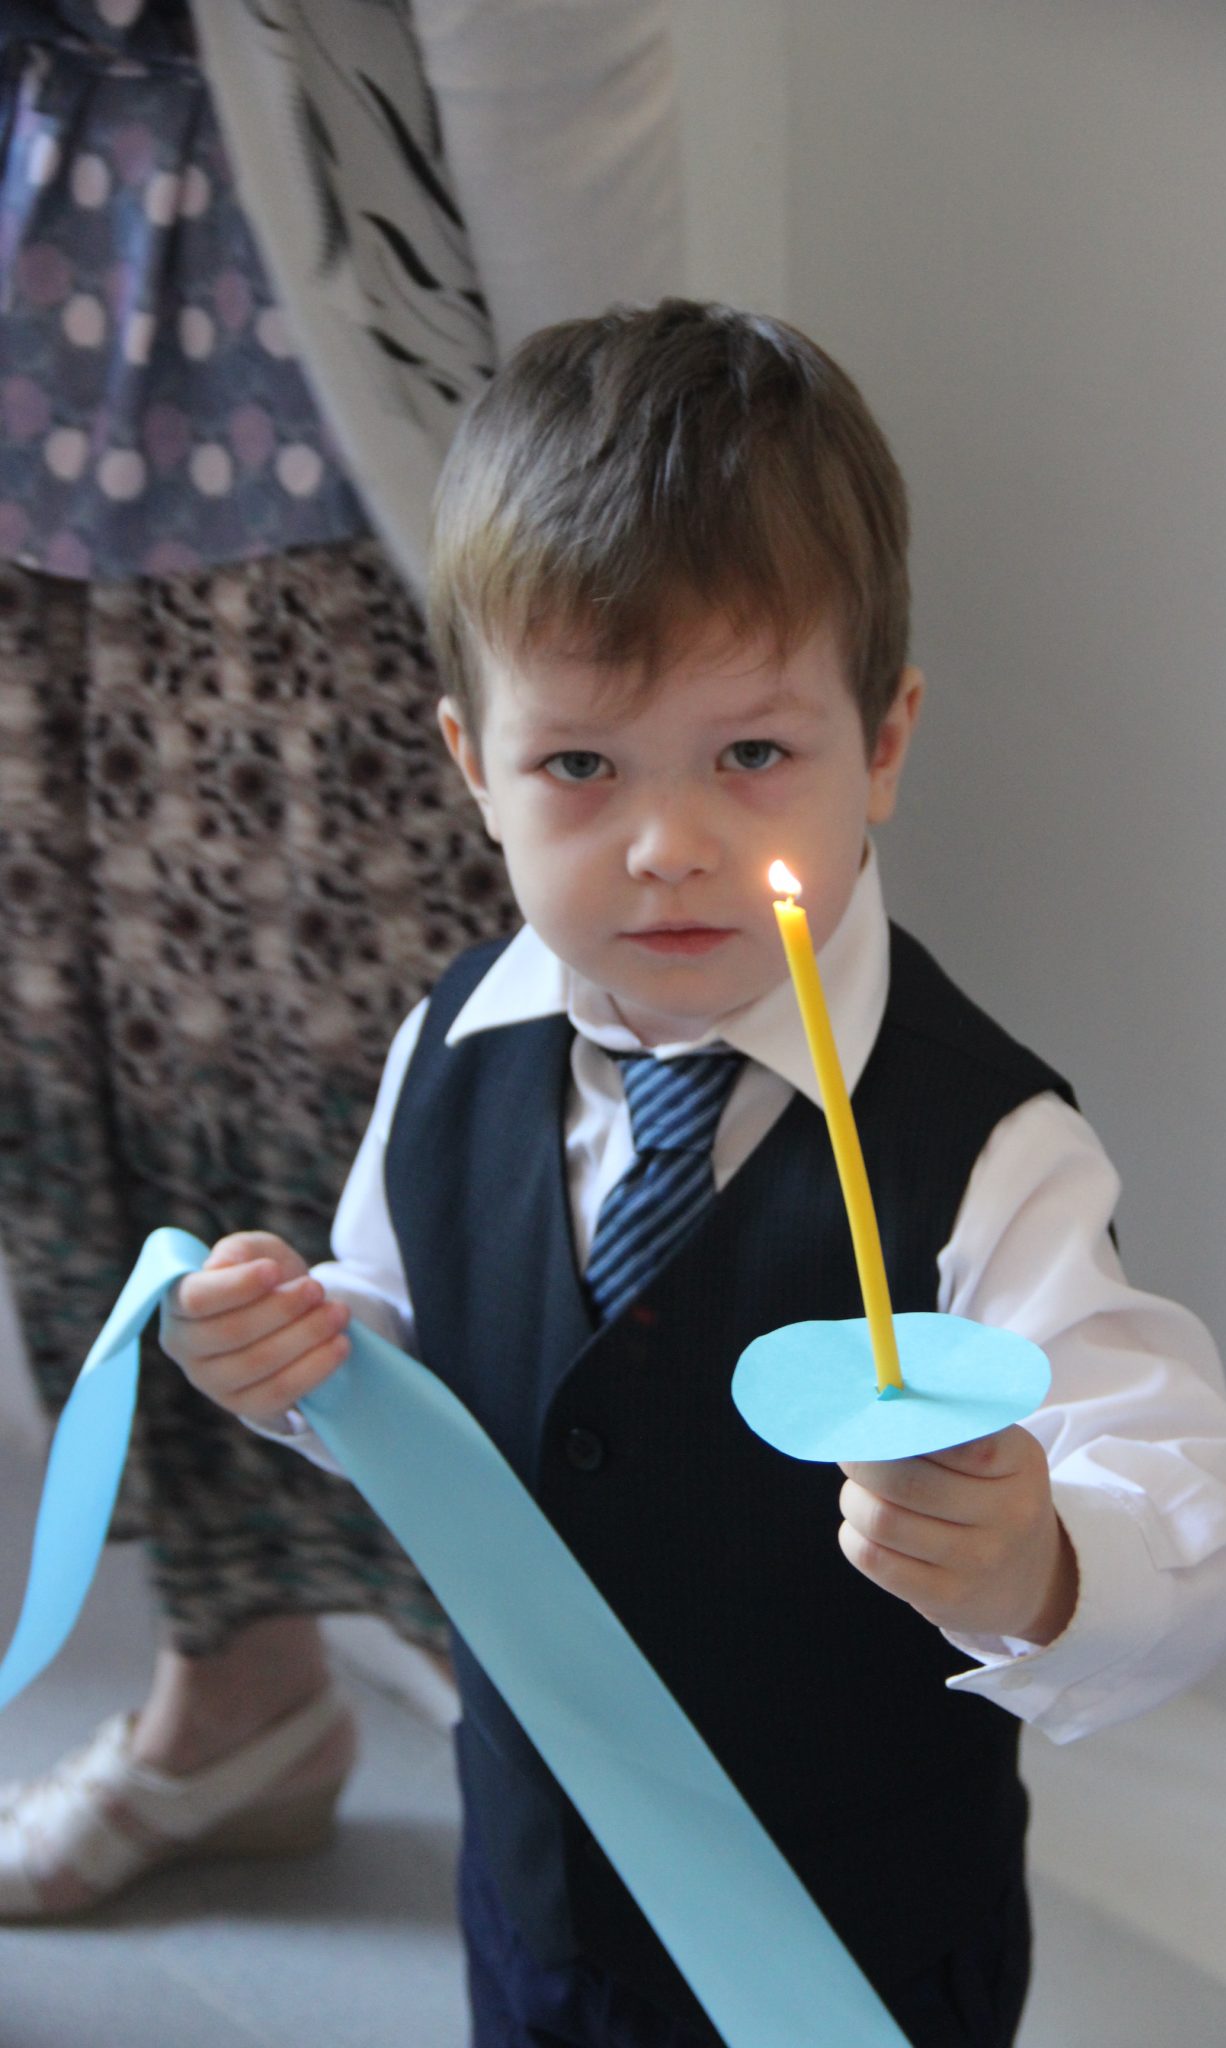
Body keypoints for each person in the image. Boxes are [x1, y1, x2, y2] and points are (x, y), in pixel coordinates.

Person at [157, 300, 1226, 2048]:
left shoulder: (987, 1145)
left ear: (880, 744)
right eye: (579, 766)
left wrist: (1037, 1566)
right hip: (538, 1902)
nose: (668, 844)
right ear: (472, 767)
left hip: (845, 1960)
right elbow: (404, 1327)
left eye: (750, 754)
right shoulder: (448, 1045)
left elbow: (1200, 1517)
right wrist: (308, 1353)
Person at [0, 0, 677, 1918]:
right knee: (86, 1083)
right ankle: (239, 1695)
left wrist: (624, 541)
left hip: (334, 459)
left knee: (467, 1137)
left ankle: (609, 1786)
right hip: (34, 390)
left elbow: (558, 81)